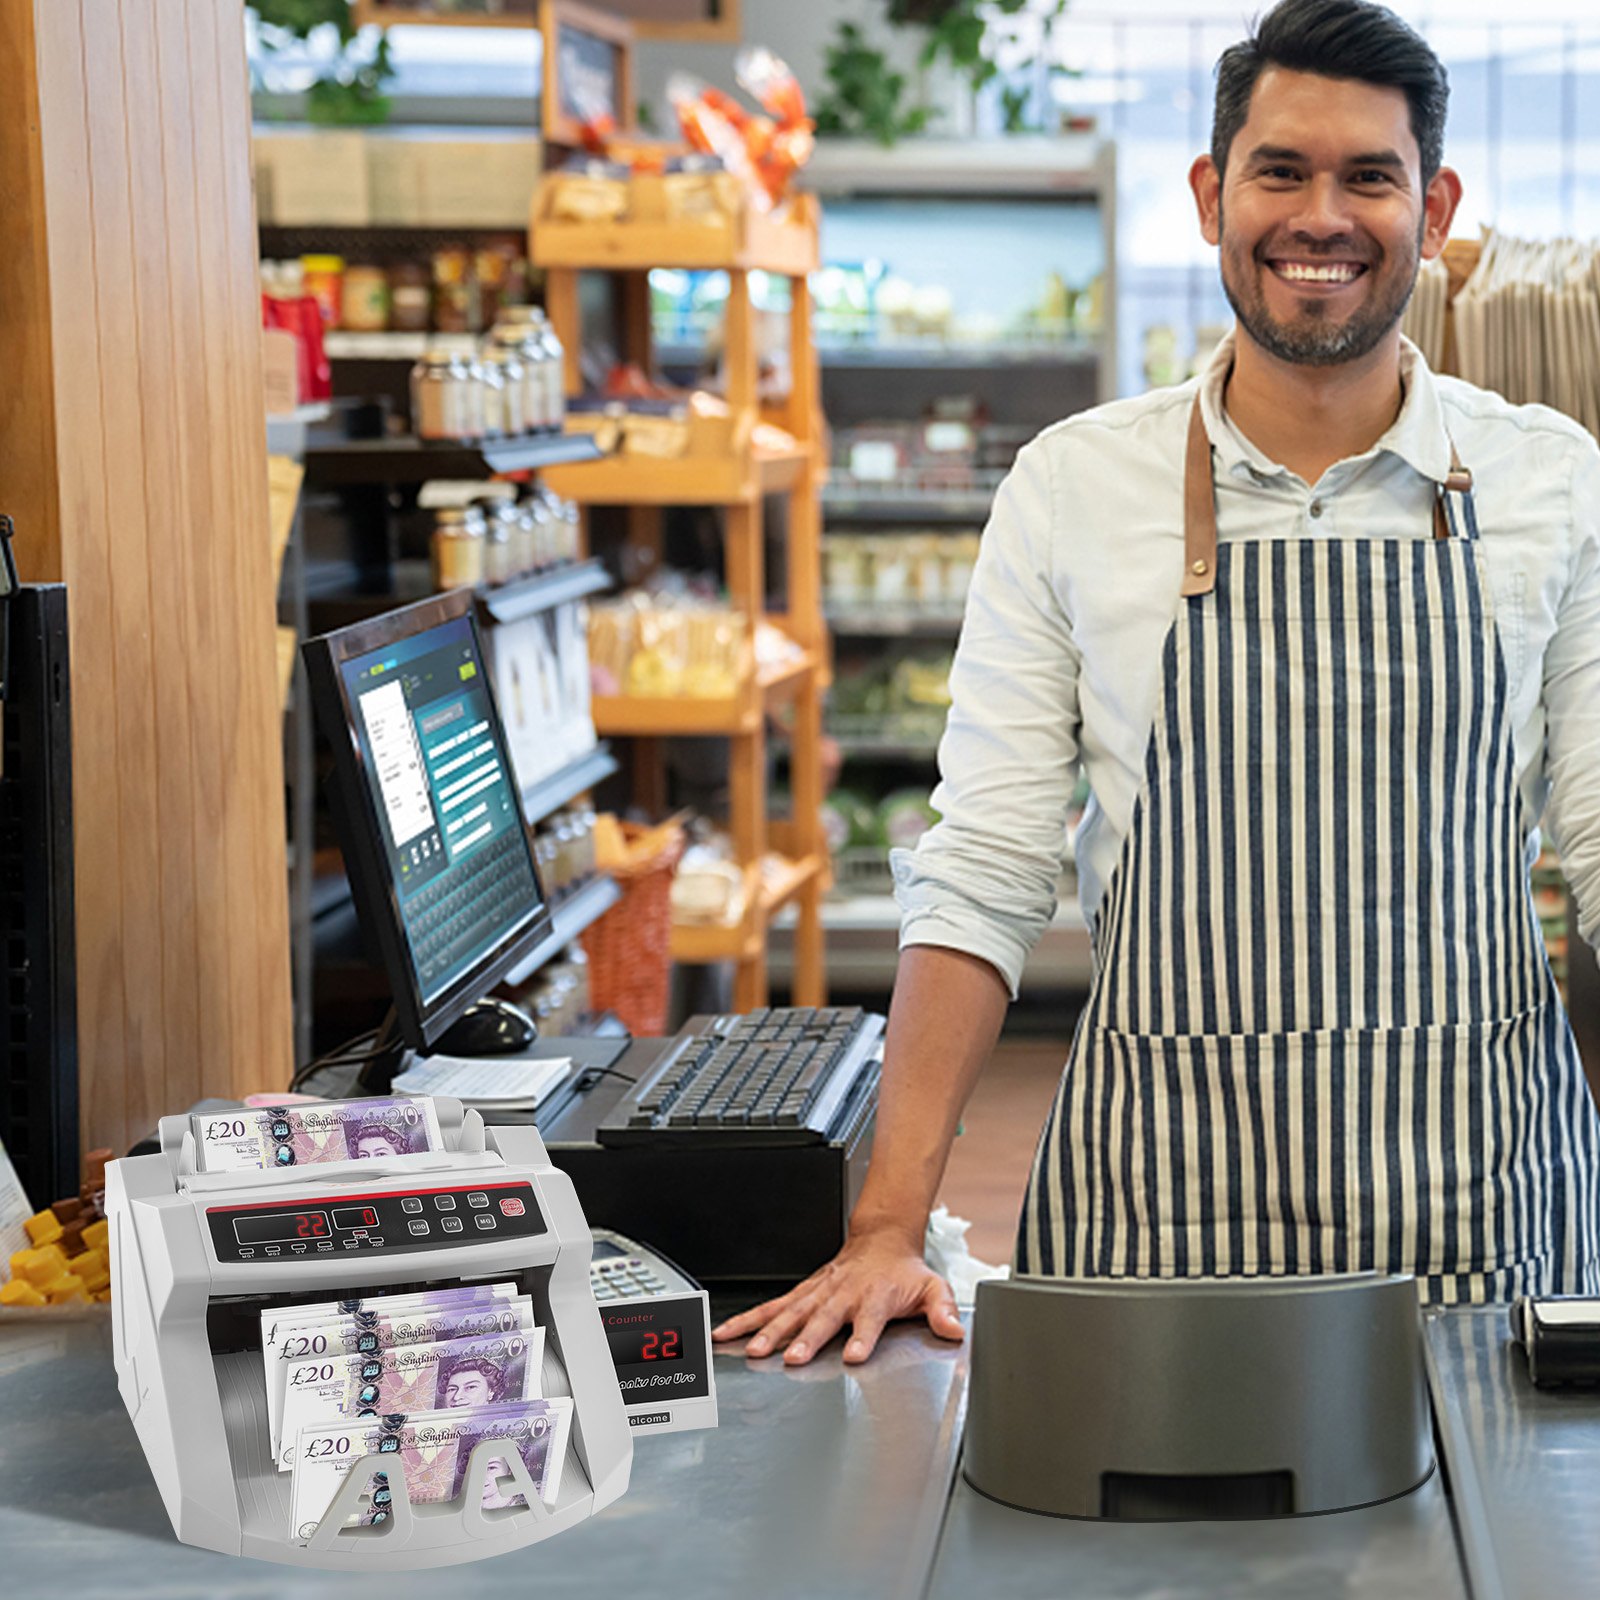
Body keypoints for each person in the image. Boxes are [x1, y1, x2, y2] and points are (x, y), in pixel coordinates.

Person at [714, 0, 1600, 1368]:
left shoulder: (1553, 482)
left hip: (1477, 1211)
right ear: (1210, 197)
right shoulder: (1073, 487)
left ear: (1433, 210)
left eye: (1369, 177)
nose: (1323, 217)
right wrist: (887, 1227)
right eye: (1280, 171)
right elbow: (986, 868)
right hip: (1163, 1201)